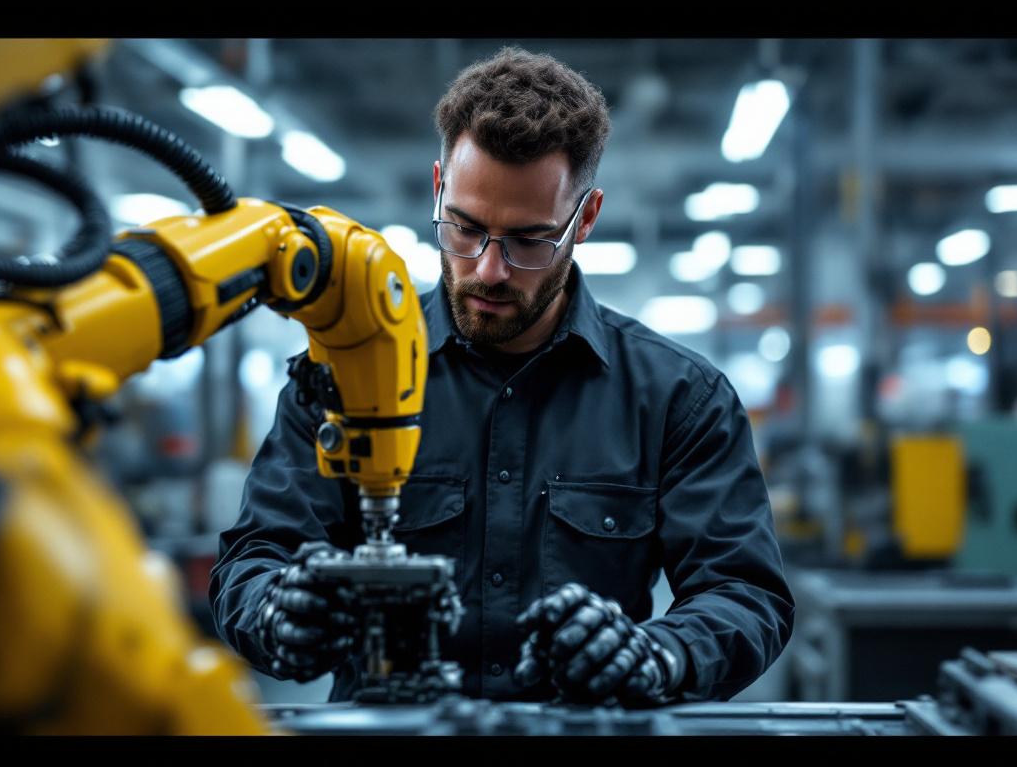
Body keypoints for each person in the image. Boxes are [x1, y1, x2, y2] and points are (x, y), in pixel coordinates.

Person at [210, 46, 794, 705]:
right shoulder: (341, 374)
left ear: (587, 218)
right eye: (465, 228)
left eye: (527, 241)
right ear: (438, 189)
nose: (489, 270)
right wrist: (276, 611)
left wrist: (661, 655)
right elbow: (255, 557)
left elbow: (744, 593)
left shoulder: (679, 399)